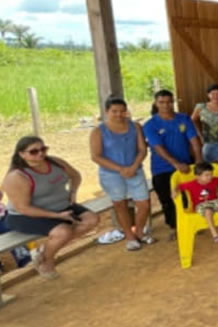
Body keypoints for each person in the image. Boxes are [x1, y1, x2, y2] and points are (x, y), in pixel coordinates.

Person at [2, 137, 98, 278]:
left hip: (61, 205)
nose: (40, 154)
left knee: (92, 220)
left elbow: (75, 175)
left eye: (43, 149)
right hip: (25, 215)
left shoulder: (56, 162)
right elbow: (23, 208)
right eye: (34, 152)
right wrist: (58, 216)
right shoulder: (17, 176)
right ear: (21, 154)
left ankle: (44, 252)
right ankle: (46, 261)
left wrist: (73, 192)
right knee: (63, 232)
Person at [89, 97, 152, 251]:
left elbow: (142, 149)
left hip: (135, 170)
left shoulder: (135, 127)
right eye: (114, 111)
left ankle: (138, 231)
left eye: (122, 111)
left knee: (144, 203)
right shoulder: (98, 131)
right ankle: (129, 237)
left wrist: (133, 166)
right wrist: (120, 169)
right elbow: (96, 156)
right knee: (120, 204)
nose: (118, 114)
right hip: (111, 174)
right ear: (106, 112)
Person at [143, 89, 201, 239]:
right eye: (162, 102)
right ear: (156, 103)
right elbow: (157, 147)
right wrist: (175, 163)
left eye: (169, 102)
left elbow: (194, 141)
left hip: (186, 165)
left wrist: (199, 161)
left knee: (188, 196)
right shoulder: (151, 124)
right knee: (167, 199)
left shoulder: (184, 119)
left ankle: (192, 223)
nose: (166, 105)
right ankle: (174, 227)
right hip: (161, 168)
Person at [171, 161, 218, 242]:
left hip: (214, 202)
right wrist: (174, 190)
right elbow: (179, 186)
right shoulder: (191, 184)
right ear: (197, 176)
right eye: (206, 175)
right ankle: (214, 233)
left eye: (211, 174)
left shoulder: (213, 180)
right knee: (208, 211)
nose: (209, 177)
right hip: (201, 205)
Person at [191, 84, 218, 166]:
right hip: (207, 142)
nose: (215, 96)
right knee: (208, 167)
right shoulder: (201, 107)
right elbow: (193, 120)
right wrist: (199, 135)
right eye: (212, 93)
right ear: (208, 95)